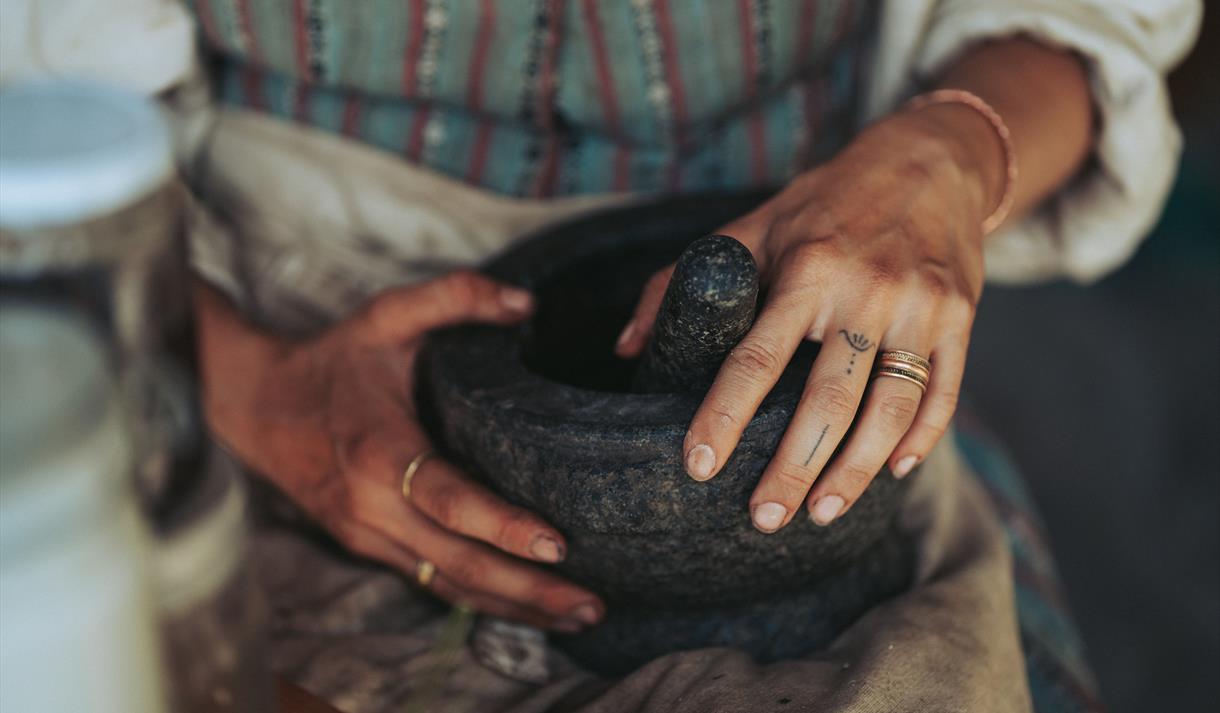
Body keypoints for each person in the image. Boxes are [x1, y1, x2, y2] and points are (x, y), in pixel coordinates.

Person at [1, 1, 1201, 711]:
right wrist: (253, 382)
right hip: (257, 310)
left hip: (836, 286)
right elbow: (41, 136)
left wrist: (951, 154)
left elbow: (1082, 22)